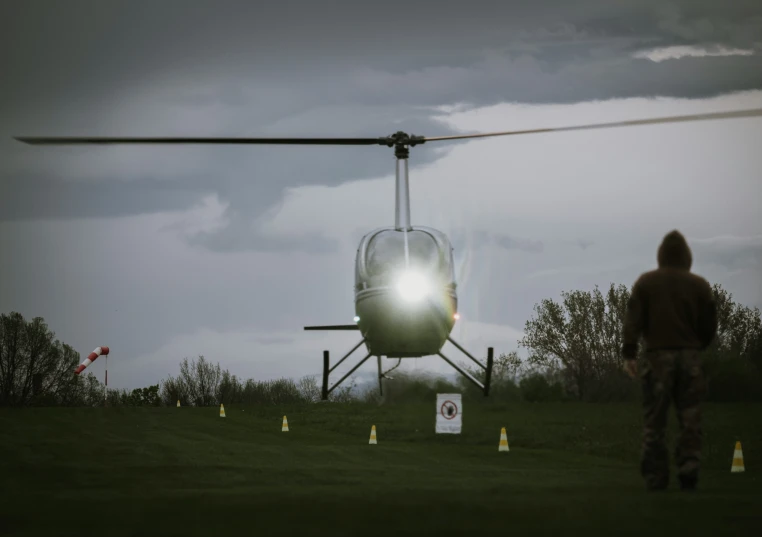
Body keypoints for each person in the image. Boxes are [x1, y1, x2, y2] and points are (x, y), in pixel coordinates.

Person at [621, 230, 718, 491]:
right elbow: (709, 326)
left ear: (661, 255)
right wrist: (696, 348)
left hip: (656, 358)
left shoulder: (646, 283)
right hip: (690, 357)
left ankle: (655, 476)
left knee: (655, 421)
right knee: (690, 419)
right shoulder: (699, 285)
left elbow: (633, 321)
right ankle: (688, 470)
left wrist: (629, 353)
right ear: (687, 256)